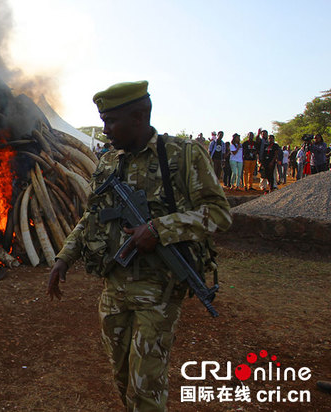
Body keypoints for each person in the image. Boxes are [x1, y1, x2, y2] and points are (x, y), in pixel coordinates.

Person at [46, 80, 232, 411]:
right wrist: (64, 257)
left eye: (111, 121)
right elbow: (92, 216)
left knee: (147, 383)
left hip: (159, 290)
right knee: (121, 376)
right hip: (114, 286)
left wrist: (159, 229)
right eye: (103, 121)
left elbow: (219, 213)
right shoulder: (107, 163)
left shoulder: (182, 156)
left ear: (139, 115)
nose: (105, 130)